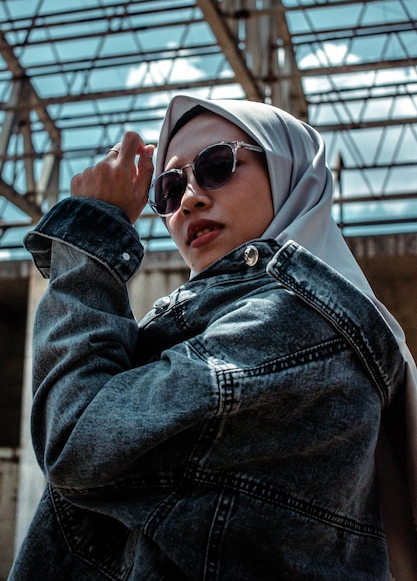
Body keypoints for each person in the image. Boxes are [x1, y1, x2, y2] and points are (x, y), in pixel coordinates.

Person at [9, 95, 417, 580]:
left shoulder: (292, 325)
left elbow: (75, 438)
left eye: (218, 164)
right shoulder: (260, 328)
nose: (189, 198)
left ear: (291, 175)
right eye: (168, 186)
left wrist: (92, 227)